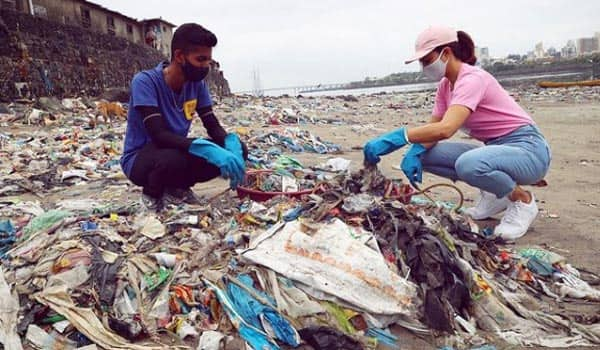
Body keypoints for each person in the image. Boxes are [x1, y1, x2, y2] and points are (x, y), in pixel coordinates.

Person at [363, 26, 551, 240]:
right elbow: (433, 127)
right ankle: (495, 195)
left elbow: (446, 129)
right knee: (425, 155)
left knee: (469, 164)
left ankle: (522, 200)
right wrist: (413, 152)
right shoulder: (446, 85)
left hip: (529, 150)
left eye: (426, 59)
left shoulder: (472, 79)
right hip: (497, 149)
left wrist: (398, 137)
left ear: (446, 53)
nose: (423, 66)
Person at [120, 23, 246, 211]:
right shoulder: (145, 82)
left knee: (236, 150)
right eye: (200, 60)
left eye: (208, 61)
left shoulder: (197, 85)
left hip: (177, 149)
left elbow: (212, 125)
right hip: (141, 158)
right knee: (173, 159)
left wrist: (231, 145)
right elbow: (158, 134)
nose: (205, 67)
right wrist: (204, 148)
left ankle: (177, 189)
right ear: (179, 56)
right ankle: (151, 195)